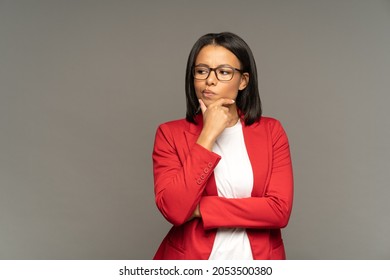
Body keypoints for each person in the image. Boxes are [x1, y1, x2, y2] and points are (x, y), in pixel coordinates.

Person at [152, 32, 293, 260]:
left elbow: (279, 211)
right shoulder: (170, 134)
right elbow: (175, 210)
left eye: (224, 72)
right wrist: (207, 135)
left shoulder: (271, 131)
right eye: (201, 71)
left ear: (243, 81)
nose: (210, 80)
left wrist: (201, 209)